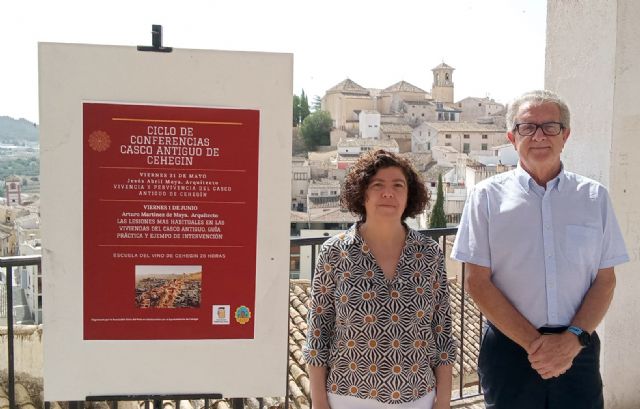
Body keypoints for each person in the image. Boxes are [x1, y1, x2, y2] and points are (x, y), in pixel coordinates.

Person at [451, 90, 629, 409]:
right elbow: (477, 282)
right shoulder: (485, 198)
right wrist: (539, 347)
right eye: (527, 127)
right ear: (511, 137)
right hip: (509, 351)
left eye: (550, 126)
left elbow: (605, 280)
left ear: (566, 135)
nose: (539, 136)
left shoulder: (594, 198)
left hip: (578, 347)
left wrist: (571, 341)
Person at [303, 149, 456, 409]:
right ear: (362, 194)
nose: (389, 193)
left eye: (398, 185)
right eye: (378, 185)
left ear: (409, 196)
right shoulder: (334, 252)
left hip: (417, 396)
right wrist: (319, 401)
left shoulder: (428, 253)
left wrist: (444, 400)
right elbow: (318, 332)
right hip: (348, 397)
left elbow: (441, 330)